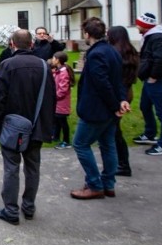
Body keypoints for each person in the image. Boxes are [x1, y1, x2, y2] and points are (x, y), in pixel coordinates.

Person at [0, 29, 56, 224]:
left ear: (13, 44)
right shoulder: (44, 66)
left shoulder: (7, 65)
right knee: (33, 168)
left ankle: (11, 210)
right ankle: (29, 207)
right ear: (32, 45)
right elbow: (51, 98)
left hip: (12, 125)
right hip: (37, 125)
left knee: (11, 167)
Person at [70, 17, 130, 200]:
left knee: (80, 144)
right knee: (107, 144)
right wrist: (120, 101)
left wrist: (115, 104)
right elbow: (118, 80)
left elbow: (102, 83)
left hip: (96, 110)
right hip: (110, 110)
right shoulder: (112, 51)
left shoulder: (96, 54)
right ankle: (108, 184)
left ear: (87, 34)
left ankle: (95, 185)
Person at [132, 12, 162, 156]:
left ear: (145, 25)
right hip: (149, 79)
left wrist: (154, 76)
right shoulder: (150, 37)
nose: (137, 26)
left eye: (139, 24)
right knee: (144, 106)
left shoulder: (157, 38)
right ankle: (150, 133)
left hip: (157, 80)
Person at [107, 25, 140, 175]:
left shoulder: (115, 53)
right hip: (127, 92)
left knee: (114, 130)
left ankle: (123, 164)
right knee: (114, 128)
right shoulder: (130, 51)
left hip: (118, 94)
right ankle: (120, 162)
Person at [50, 51, 75, 149]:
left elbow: (63, 89)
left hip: (61, 102)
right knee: (57, 120)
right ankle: (55, 136)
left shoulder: (63, 72)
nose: (52, 60)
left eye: (53, 58)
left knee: (62, 122)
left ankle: (66, 141)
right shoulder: (59, 71)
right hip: (58, 102)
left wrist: (55, 96)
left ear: (58, 60)